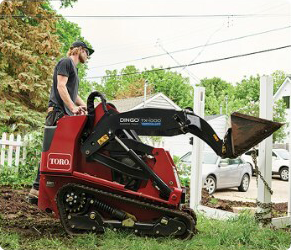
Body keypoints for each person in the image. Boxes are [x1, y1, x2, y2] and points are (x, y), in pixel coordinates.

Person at [28, 41, 94, 202]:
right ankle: (36, 189)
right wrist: (72, 107)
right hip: (57, 112)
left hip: (64, 113)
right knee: (51, 151)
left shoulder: (74, 70)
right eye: (87, 53)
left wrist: (86, 106)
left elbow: (72, 94)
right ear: (80, 50)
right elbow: (61, 86)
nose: (88, 57)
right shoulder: (66, 62)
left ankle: (48, 187)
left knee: (61, 153)